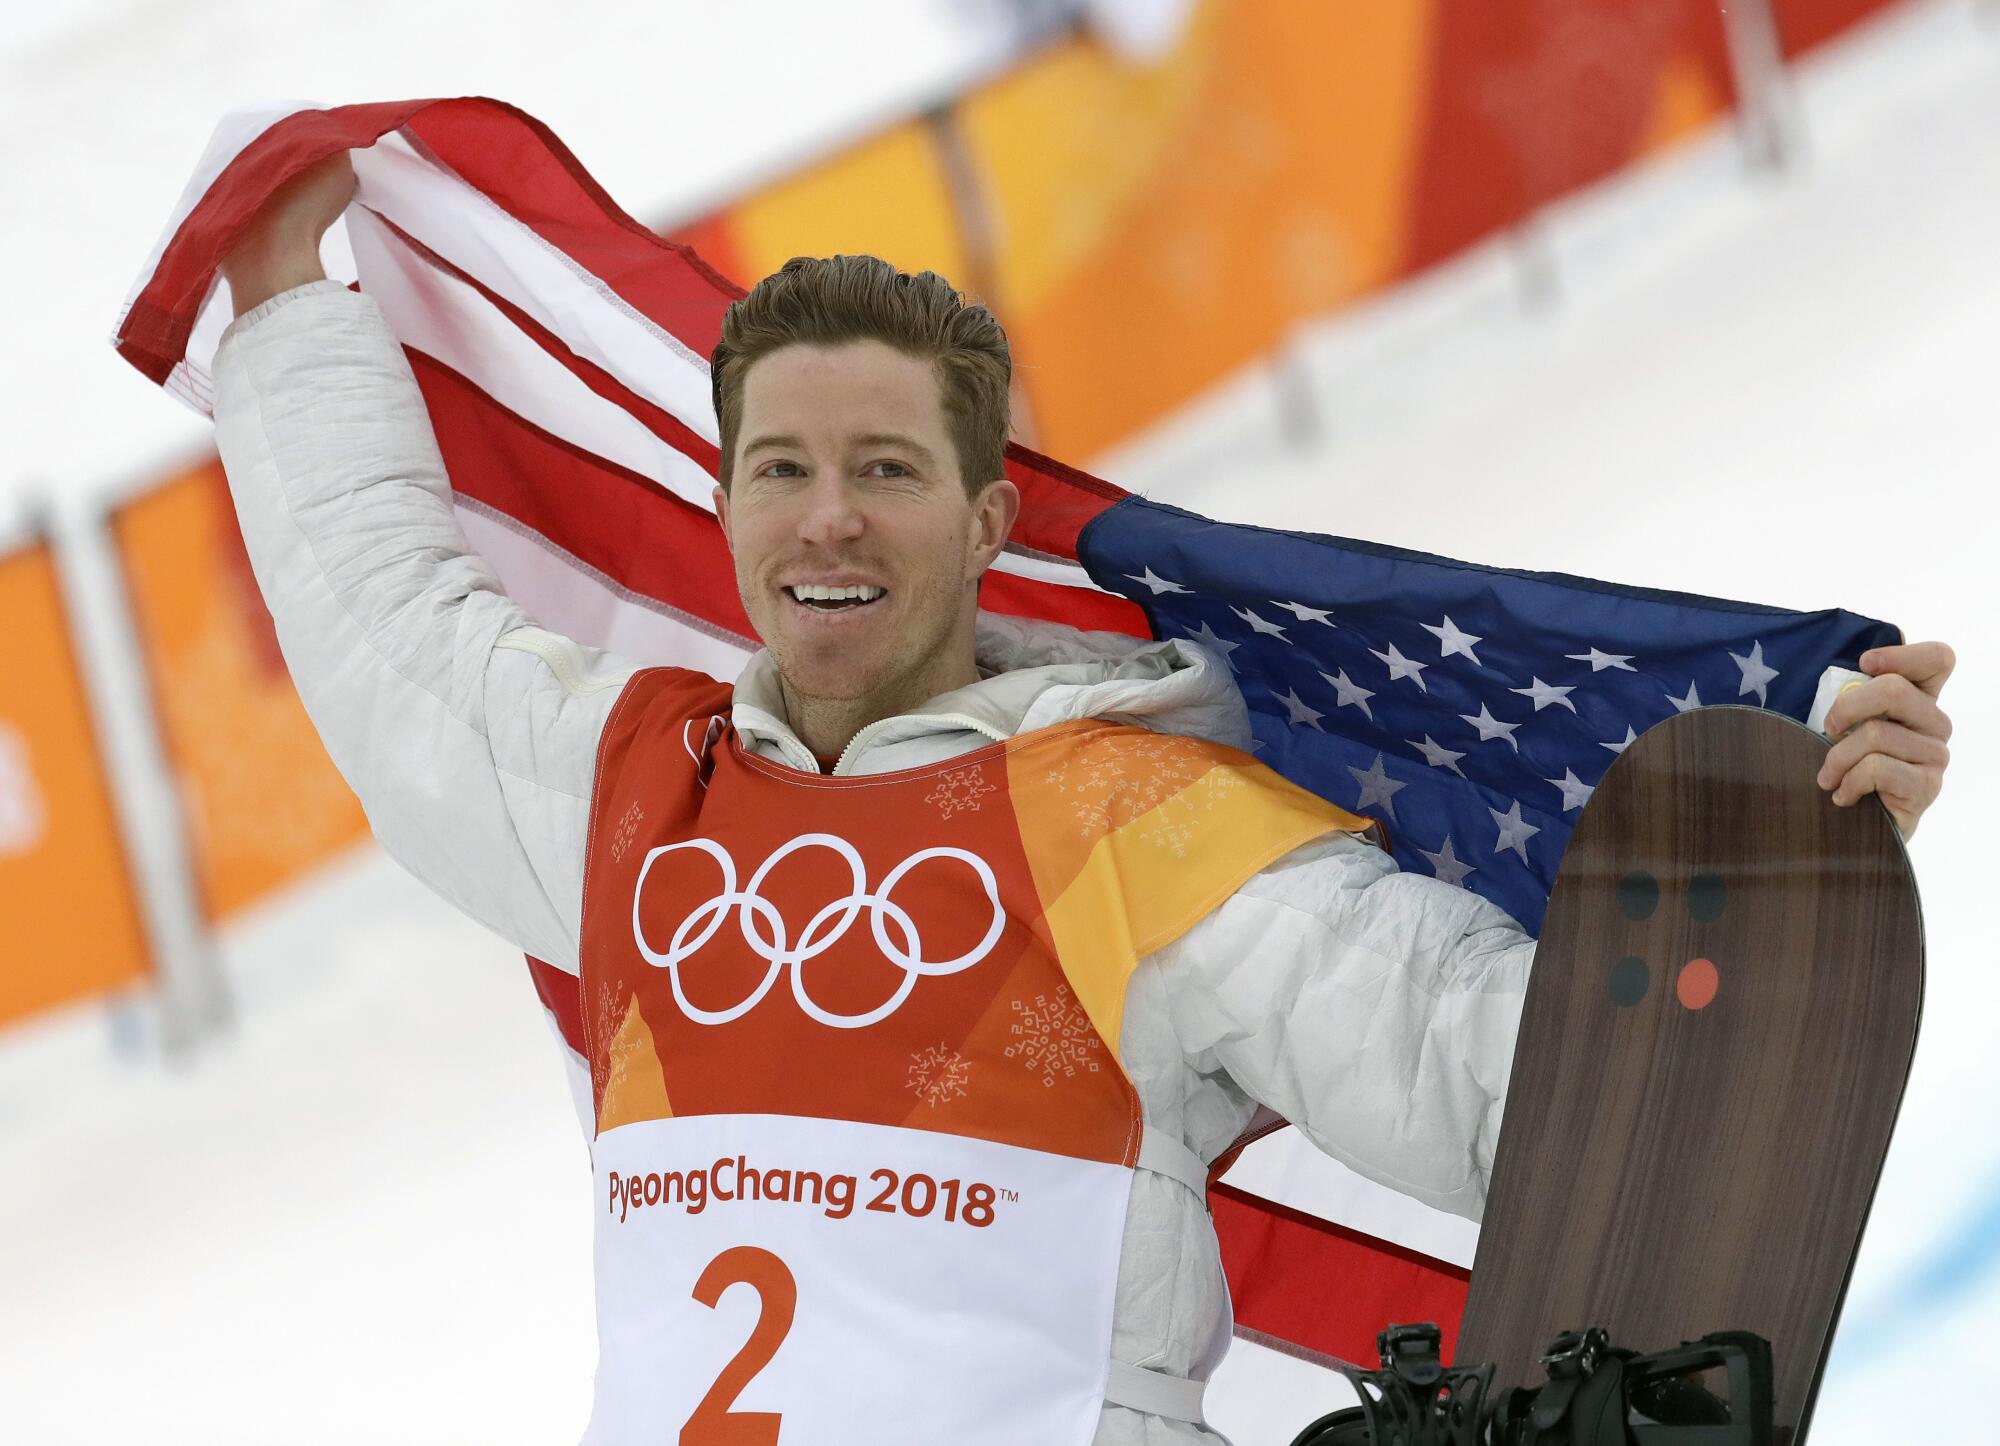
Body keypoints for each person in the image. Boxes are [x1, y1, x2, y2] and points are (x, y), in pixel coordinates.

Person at [213, 151, 1956, 1445]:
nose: (828, 521)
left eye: (887, 472)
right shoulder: (632, 796)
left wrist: (1796, 853)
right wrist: (288, 298)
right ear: (732, 508)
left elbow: (1521, 1082)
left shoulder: (1135, 819)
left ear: (985, 526)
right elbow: (393, 645)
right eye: (784, 471)